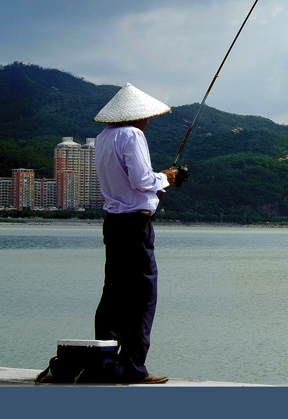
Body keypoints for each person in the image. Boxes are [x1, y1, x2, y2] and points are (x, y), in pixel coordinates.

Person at [91, 83, 178, 384]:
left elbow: (130, 182)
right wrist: (165, 178)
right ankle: (132, 367)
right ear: (135, 116)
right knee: (142, 296)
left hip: (113, 224)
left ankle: (105, 362)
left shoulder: (102, 138)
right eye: (145, 116)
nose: (148, 121)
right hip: (134, 226)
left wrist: (160, 182)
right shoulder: (132, 135)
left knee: (113, 294)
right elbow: (142, 180)